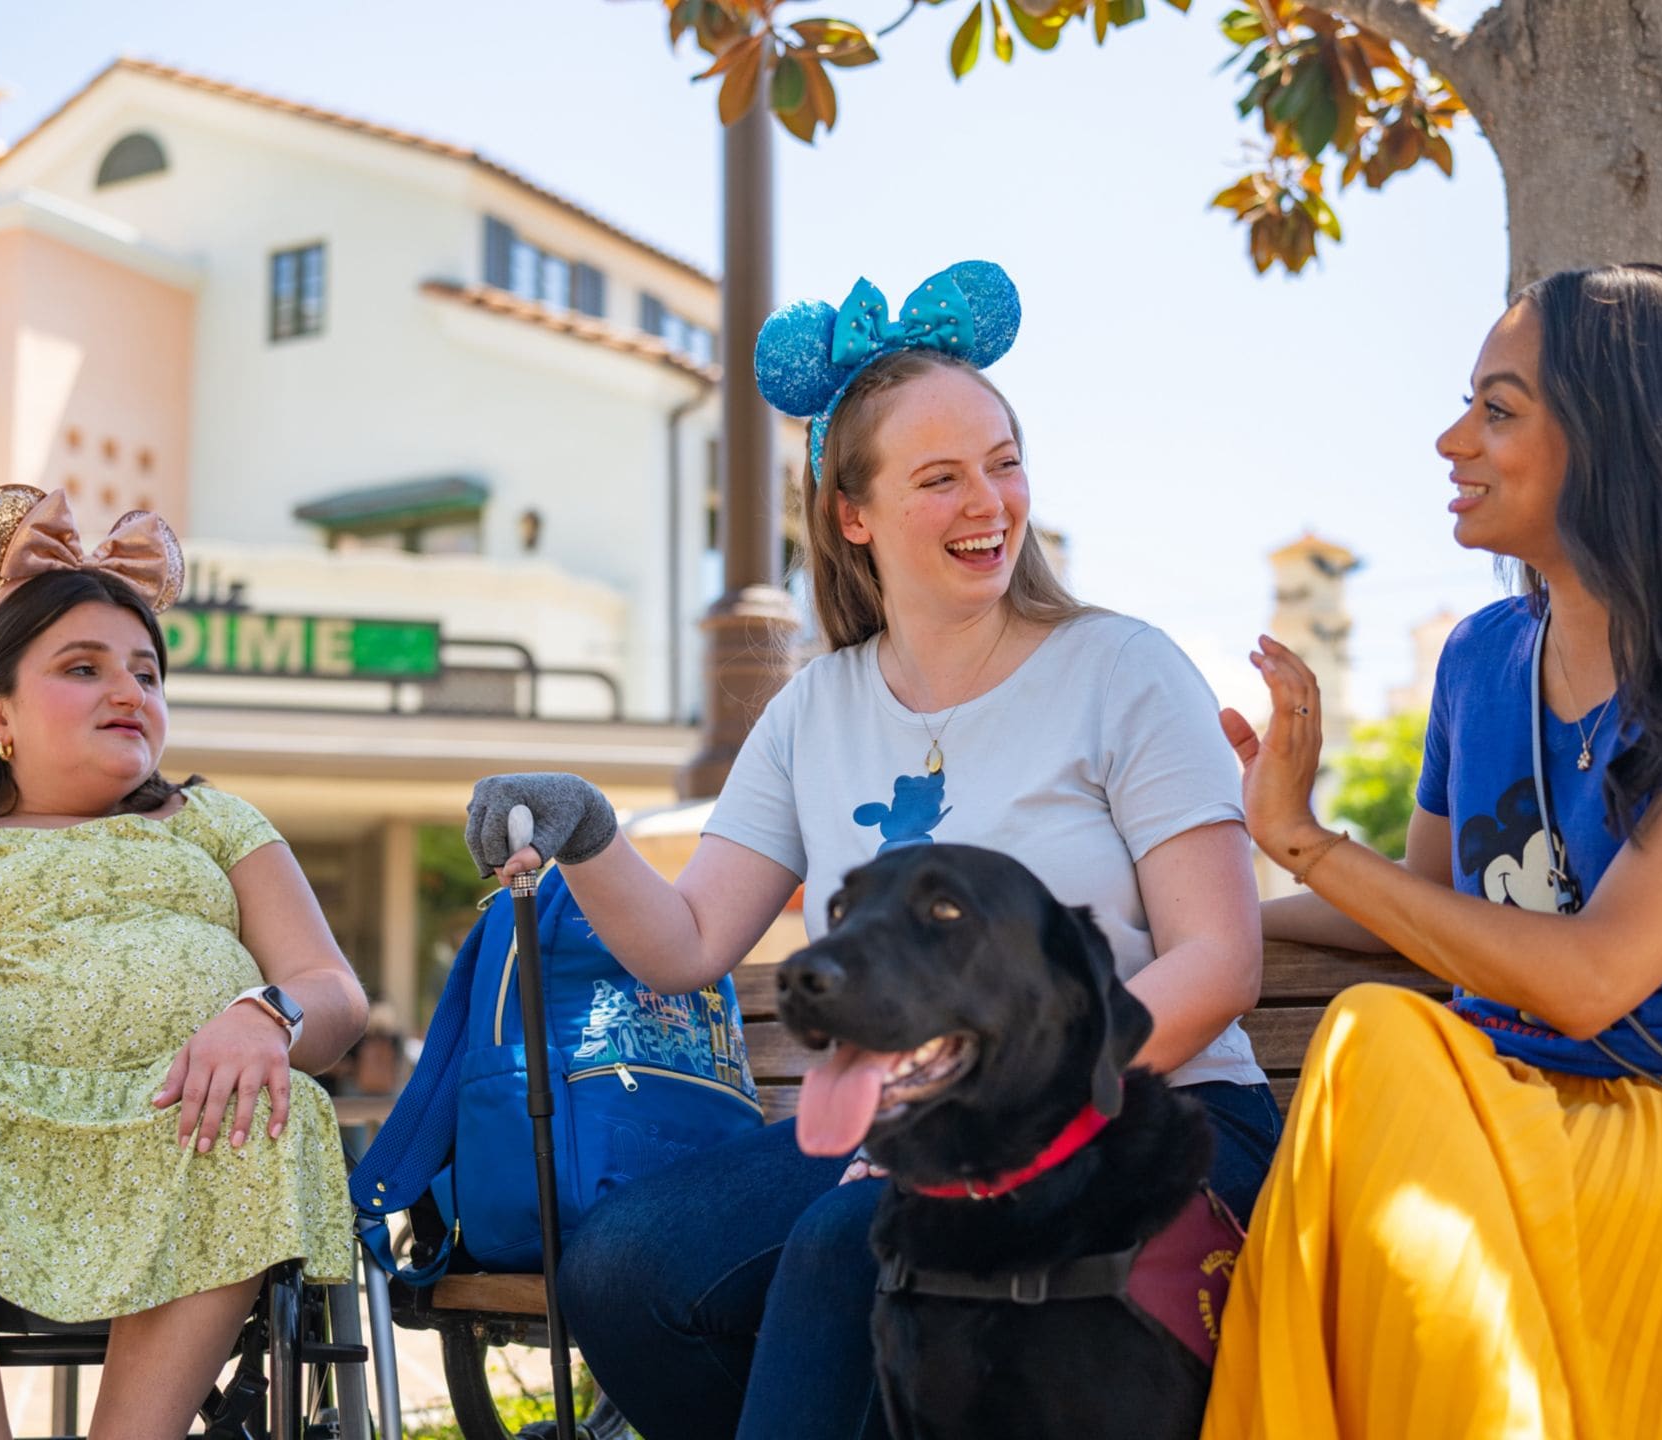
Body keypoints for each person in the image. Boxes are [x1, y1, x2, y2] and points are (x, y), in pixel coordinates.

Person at [466, 261, 1275, 1440]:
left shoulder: (1123, 668)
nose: (989, 503)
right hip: (910, 1115)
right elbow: (687, 945)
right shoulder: (815, 707)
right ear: (854, 514)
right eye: (940, 478)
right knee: (625, 1270)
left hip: (1150, 1115)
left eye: (1003, 464)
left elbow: (1216, 962)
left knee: (860, 1236)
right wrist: (589, 831)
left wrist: (997, 1119)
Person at [1206, 264, 1662, 1439]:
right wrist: (1187, 916)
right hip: (1494, 1111)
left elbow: (1591, 981)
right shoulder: (1482, 659)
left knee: (1377, 1038)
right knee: (1384, 1051)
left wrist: (1306, 842)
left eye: (1497, 410)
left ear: (1620, 439)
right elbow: (1423, 907)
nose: (1450, 441)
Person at [0, 487, 365, 1440]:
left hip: (184, 1118)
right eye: (83, 669)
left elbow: (333, 990)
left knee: (278, 1112)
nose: (130, 693)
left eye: (147, 673)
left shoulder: (219, 823)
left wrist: (267, 1014)